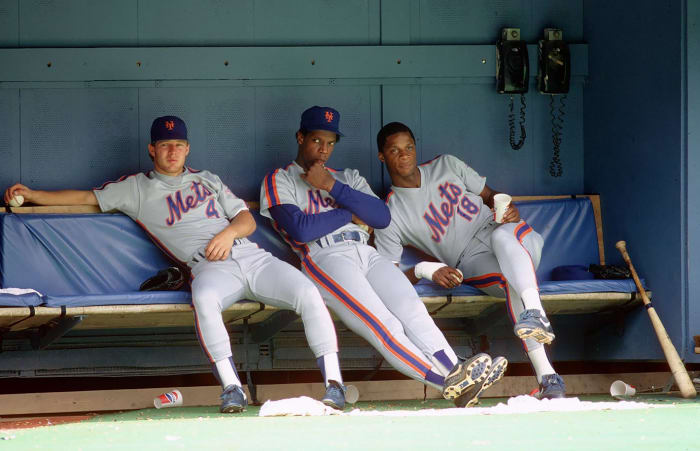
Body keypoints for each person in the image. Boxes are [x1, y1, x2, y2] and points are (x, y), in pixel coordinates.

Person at [3, 115, 348, 412]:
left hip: (249, 254)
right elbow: (85, 198)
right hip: (210, 267)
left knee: (308, 291)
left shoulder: (207, 179)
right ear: (152, 149)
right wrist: (34, 195)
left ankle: (334, 383)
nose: (173, 151)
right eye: (165, 145)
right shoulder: (137, 189)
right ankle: (232, 388)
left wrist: (228, 234)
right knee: (204, 298)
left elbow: (247, 220)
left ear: (188, 148)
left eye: (179, 144)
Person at [259, 106, 507, 407]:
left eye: (331, 143)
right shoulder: (279, 179)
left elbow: (381, 216)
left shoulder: (347, 177)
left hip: (366, 252)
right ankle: (447, 383)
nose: (324, 150)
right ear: (300, 137)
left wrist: (331, 186)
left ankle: (457, 371)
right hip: (326, 257)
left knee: (413, 311)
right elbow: (299, 229)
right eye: (316, 141)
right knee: (383, 324)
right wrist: (350, 211)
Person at [373, 121, 566, 399]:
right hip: (473, 260)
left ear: (416, 149)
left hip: (510, 235)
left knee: (502, 239)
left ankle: (536, 320)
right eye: (395, 150)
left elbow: (492, 196)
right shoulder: (390, 213)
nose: (404, 155)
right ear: (382, 157)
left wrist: (507, 208)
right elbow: (388, 279)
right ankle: (548, 376)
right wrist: (426, 269)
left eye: (409, 148)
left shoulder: (446, 165)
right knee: (508, 280)